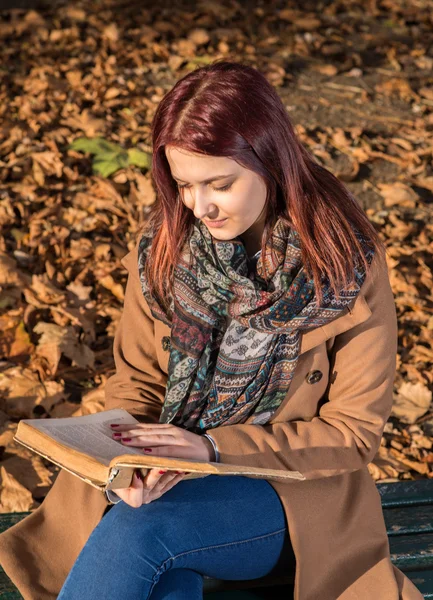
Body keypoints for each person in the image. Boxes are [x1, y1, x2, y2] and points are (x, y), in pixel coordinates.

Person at [0, 60, 424, 600]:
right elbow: (138, 385)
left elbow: (350, 433)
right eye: (183, 185)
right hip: (162, 480)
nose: (199, 206)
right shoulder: (166, 248)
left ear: (269, 161)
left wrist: (210, 449)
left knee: (147, 530)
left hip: (285, 496)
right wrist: (131, 464)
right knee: (160, 572)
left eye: (219, 184)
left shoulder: (344, 264)